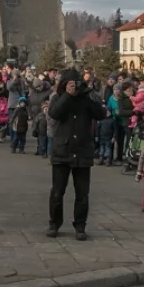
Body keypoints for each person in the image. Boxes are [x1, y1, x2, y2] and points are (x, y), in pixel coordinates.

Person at [47, 68, 106, 241]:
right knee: (57, 192)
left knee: (82, 193)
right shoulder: (58, 97)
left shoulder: (86, 98)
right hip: (62, 150)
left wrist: (88, 93)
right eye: (70, 83)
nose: (74, 87)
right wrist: (67, 95)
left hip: (82, 151)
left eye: (76, 83)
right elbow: (54, 113)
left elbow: (101, 114)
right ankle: (54, 223)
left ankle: (80, 225)